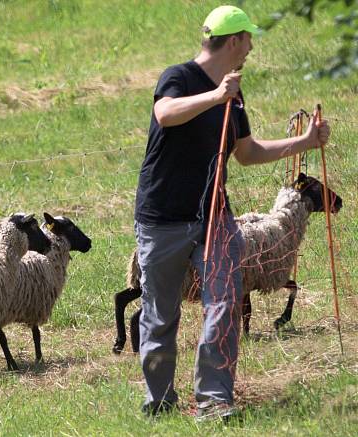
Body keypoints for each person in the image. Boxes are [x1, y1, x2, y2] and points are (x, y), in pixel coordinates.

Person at [134, 5, 330, 421]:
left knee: (224, 303)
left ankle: (214, 401)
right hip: (163, 217)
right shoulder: (179, 77)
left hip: (215, 217)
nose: (252, 47)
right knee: (160, 315)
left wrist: (306, 142)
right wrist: (216, 96)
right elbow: (165, 114)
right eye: (249, 39)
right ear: (235, 40)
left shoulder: (234, 93)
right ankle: (160, 403)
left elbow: (247, 152)